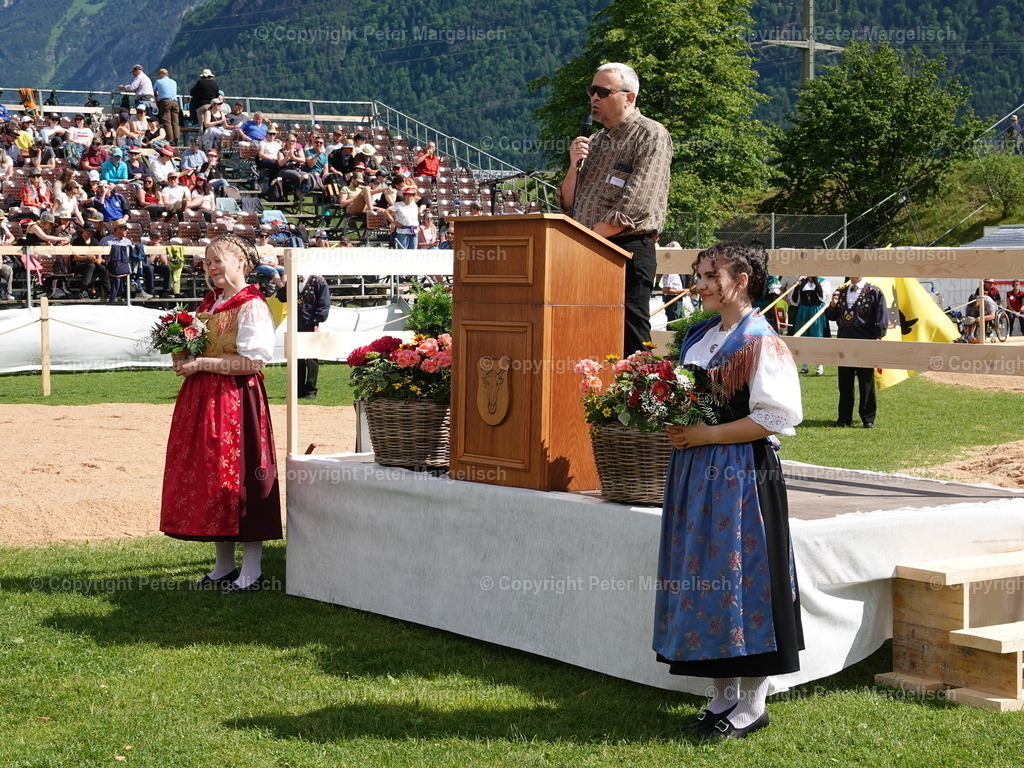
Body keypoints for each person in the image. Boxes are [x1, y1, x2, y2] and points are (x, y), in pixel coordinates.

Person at [655, 242, 803, 741]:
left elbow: (774, 418)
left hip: (741, 475)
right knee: (702, 574)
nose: (699, 285)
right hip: (695, 474)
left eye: (709, 276)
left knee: (744, 578)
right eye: (699, 275)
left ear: (739, 278)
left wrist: (706, 435)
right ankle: (721, 696)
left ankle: (753, 702)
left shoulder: (761, 340)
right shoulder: (699, 335)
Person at [160, 233, 281, 592]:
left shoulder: (252, 304)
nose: (211, 267)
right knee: (212, 478)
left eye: (218, 260)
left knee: (240, 478)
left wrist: (201, 364)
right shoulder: (210, 303)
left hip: (235, 400)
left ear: (241, 262)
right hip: (202, 400)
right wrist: (181, 357)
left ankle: (253, 570)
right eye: (207, 261)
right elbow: (194, 347)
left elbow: (253, 362)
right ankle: (224, 566)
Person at [559, 62, 672, 357]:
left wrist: (585, 240)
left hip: (627, 250)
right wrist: (573, 166)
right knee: (587, 332)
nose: (594, 98)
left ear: (629, 97)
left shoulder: (651, 134)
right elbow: (568, 203)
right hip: (589, 248)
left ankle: (638, 398)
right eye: (591, 91)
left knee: (630, 337)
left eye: (603, 91)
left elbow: (636, 205)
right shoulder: (594, 141)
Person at [824, 277, 888, 428]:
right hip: (844, 343)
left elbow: (881, 315)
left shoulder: (874, 291)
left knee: (866, 382)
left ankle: (868, 419)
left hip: (864, 342)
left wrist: (878, 337)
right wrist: (833, 305)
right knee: (844, 382)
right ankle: (844, 418)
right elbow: (831, 316)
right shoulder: (841, 291)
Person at [271, 263, 331, 399]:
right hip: (295, 322)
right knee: (296, 357)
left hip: (310, 323)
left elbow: (324, 302)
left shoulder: (319, 280)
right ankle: (298, 389)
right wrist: (286, 282)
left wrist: (317, 321)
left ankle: (311, 390)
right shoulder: (294, 279)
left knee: (311, 357)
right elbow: (281, 297)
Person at [789, 276, 831, 375]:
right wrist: (796, 287)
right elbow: (795, 301)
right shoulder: (802, 282)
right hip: (803, 310)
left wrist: (816, 282)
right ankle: (804, 366)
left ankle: (819, 366)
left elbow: (822, 297)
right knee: (802, 337)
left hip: (816, 310)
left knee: (817, 337)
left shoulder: (824, 282)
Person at [154, 68, 180, 145]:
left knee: (167, 121)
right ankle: (177, 139)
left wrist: (157, 98)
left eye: (159, 74)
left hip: (165, 102)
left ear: (161, 74)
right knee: (175, 122)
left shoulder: (159, 82)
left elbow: (155, 91)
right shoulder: (174, 82)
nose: (158, 76)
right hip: (175, 102)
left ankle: (170, 140)